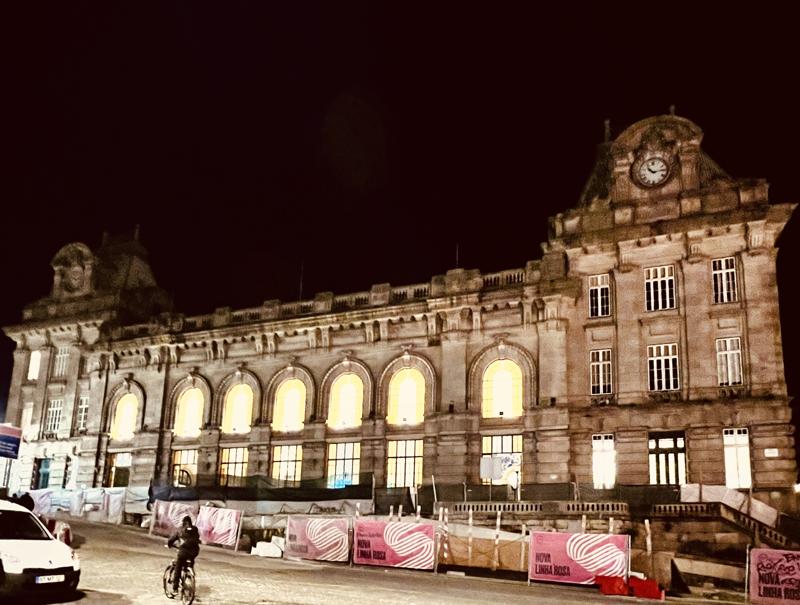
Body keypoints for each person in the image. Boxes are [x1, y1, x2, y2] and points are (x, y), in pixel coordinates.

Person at [167, 515, 200, 593]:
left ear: (183, 523)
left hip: (183, 552)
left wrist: (169, 544)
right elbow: (197, 539)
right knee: (189, 564)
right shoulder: (195, 529)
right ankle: (189, 577)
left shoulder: (180, 530)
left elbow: (171, 539)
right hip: (194, 552)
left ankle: (175, 588)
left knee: (178, 569)